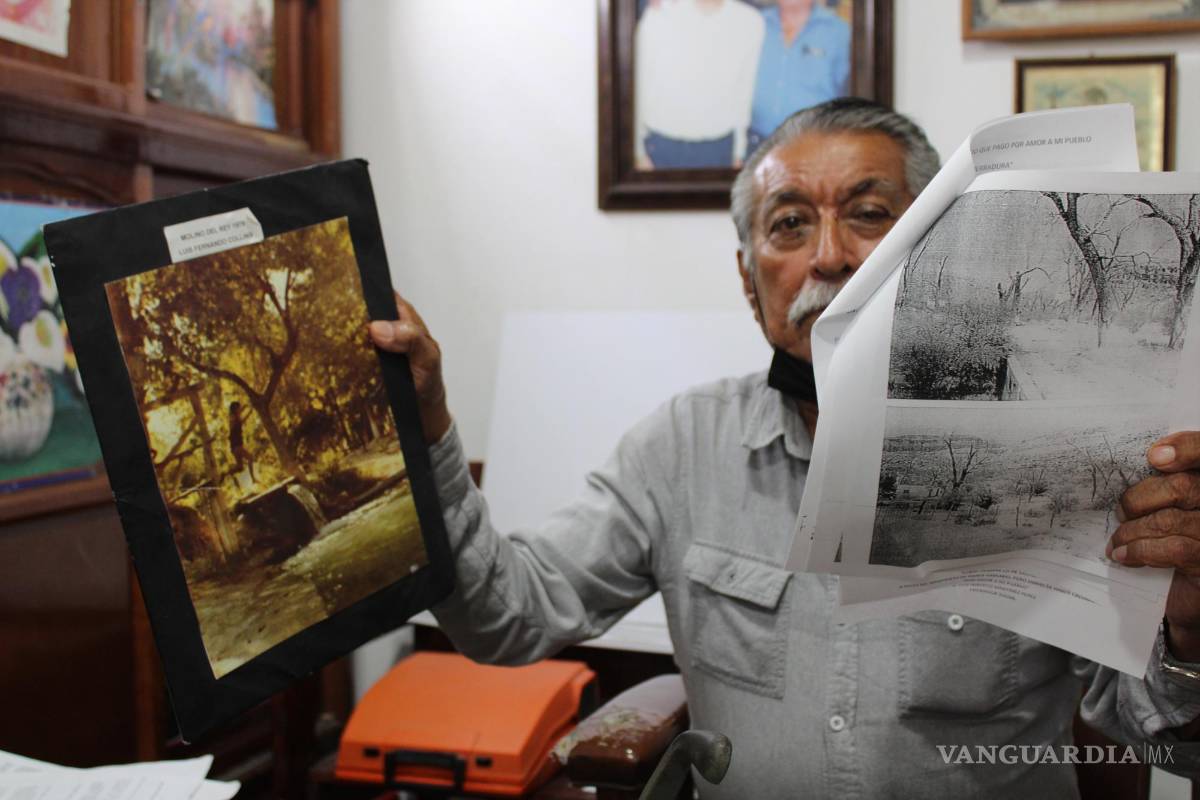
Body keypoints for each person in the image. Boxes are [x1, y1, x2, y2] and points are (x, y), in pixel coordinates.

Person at [368, 99, 1200, 796]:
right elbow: (504, 621)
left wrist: (1190, 630)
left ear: (945, 247)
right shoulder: (683, 446)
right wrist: (428, 426)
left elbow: (1174, 745)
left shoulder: (1057, 447)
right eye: (790, 224)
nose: (830, 256)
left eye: (871, 215)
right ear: (747, 278)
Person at [634, 0, 764, 169]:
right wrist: (637, 152)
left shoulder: (750, 22)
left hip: (718, 150)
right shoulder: (658, 15)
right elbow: (635, 86)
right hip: (660, 148)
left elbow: (744, 93)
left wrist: (738, 152)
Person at [747, 0, 851, 158]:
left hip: (816, 147)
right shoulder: (755, 24)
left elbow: (848, 97)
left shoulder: (840, 33)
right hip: (756, 146)